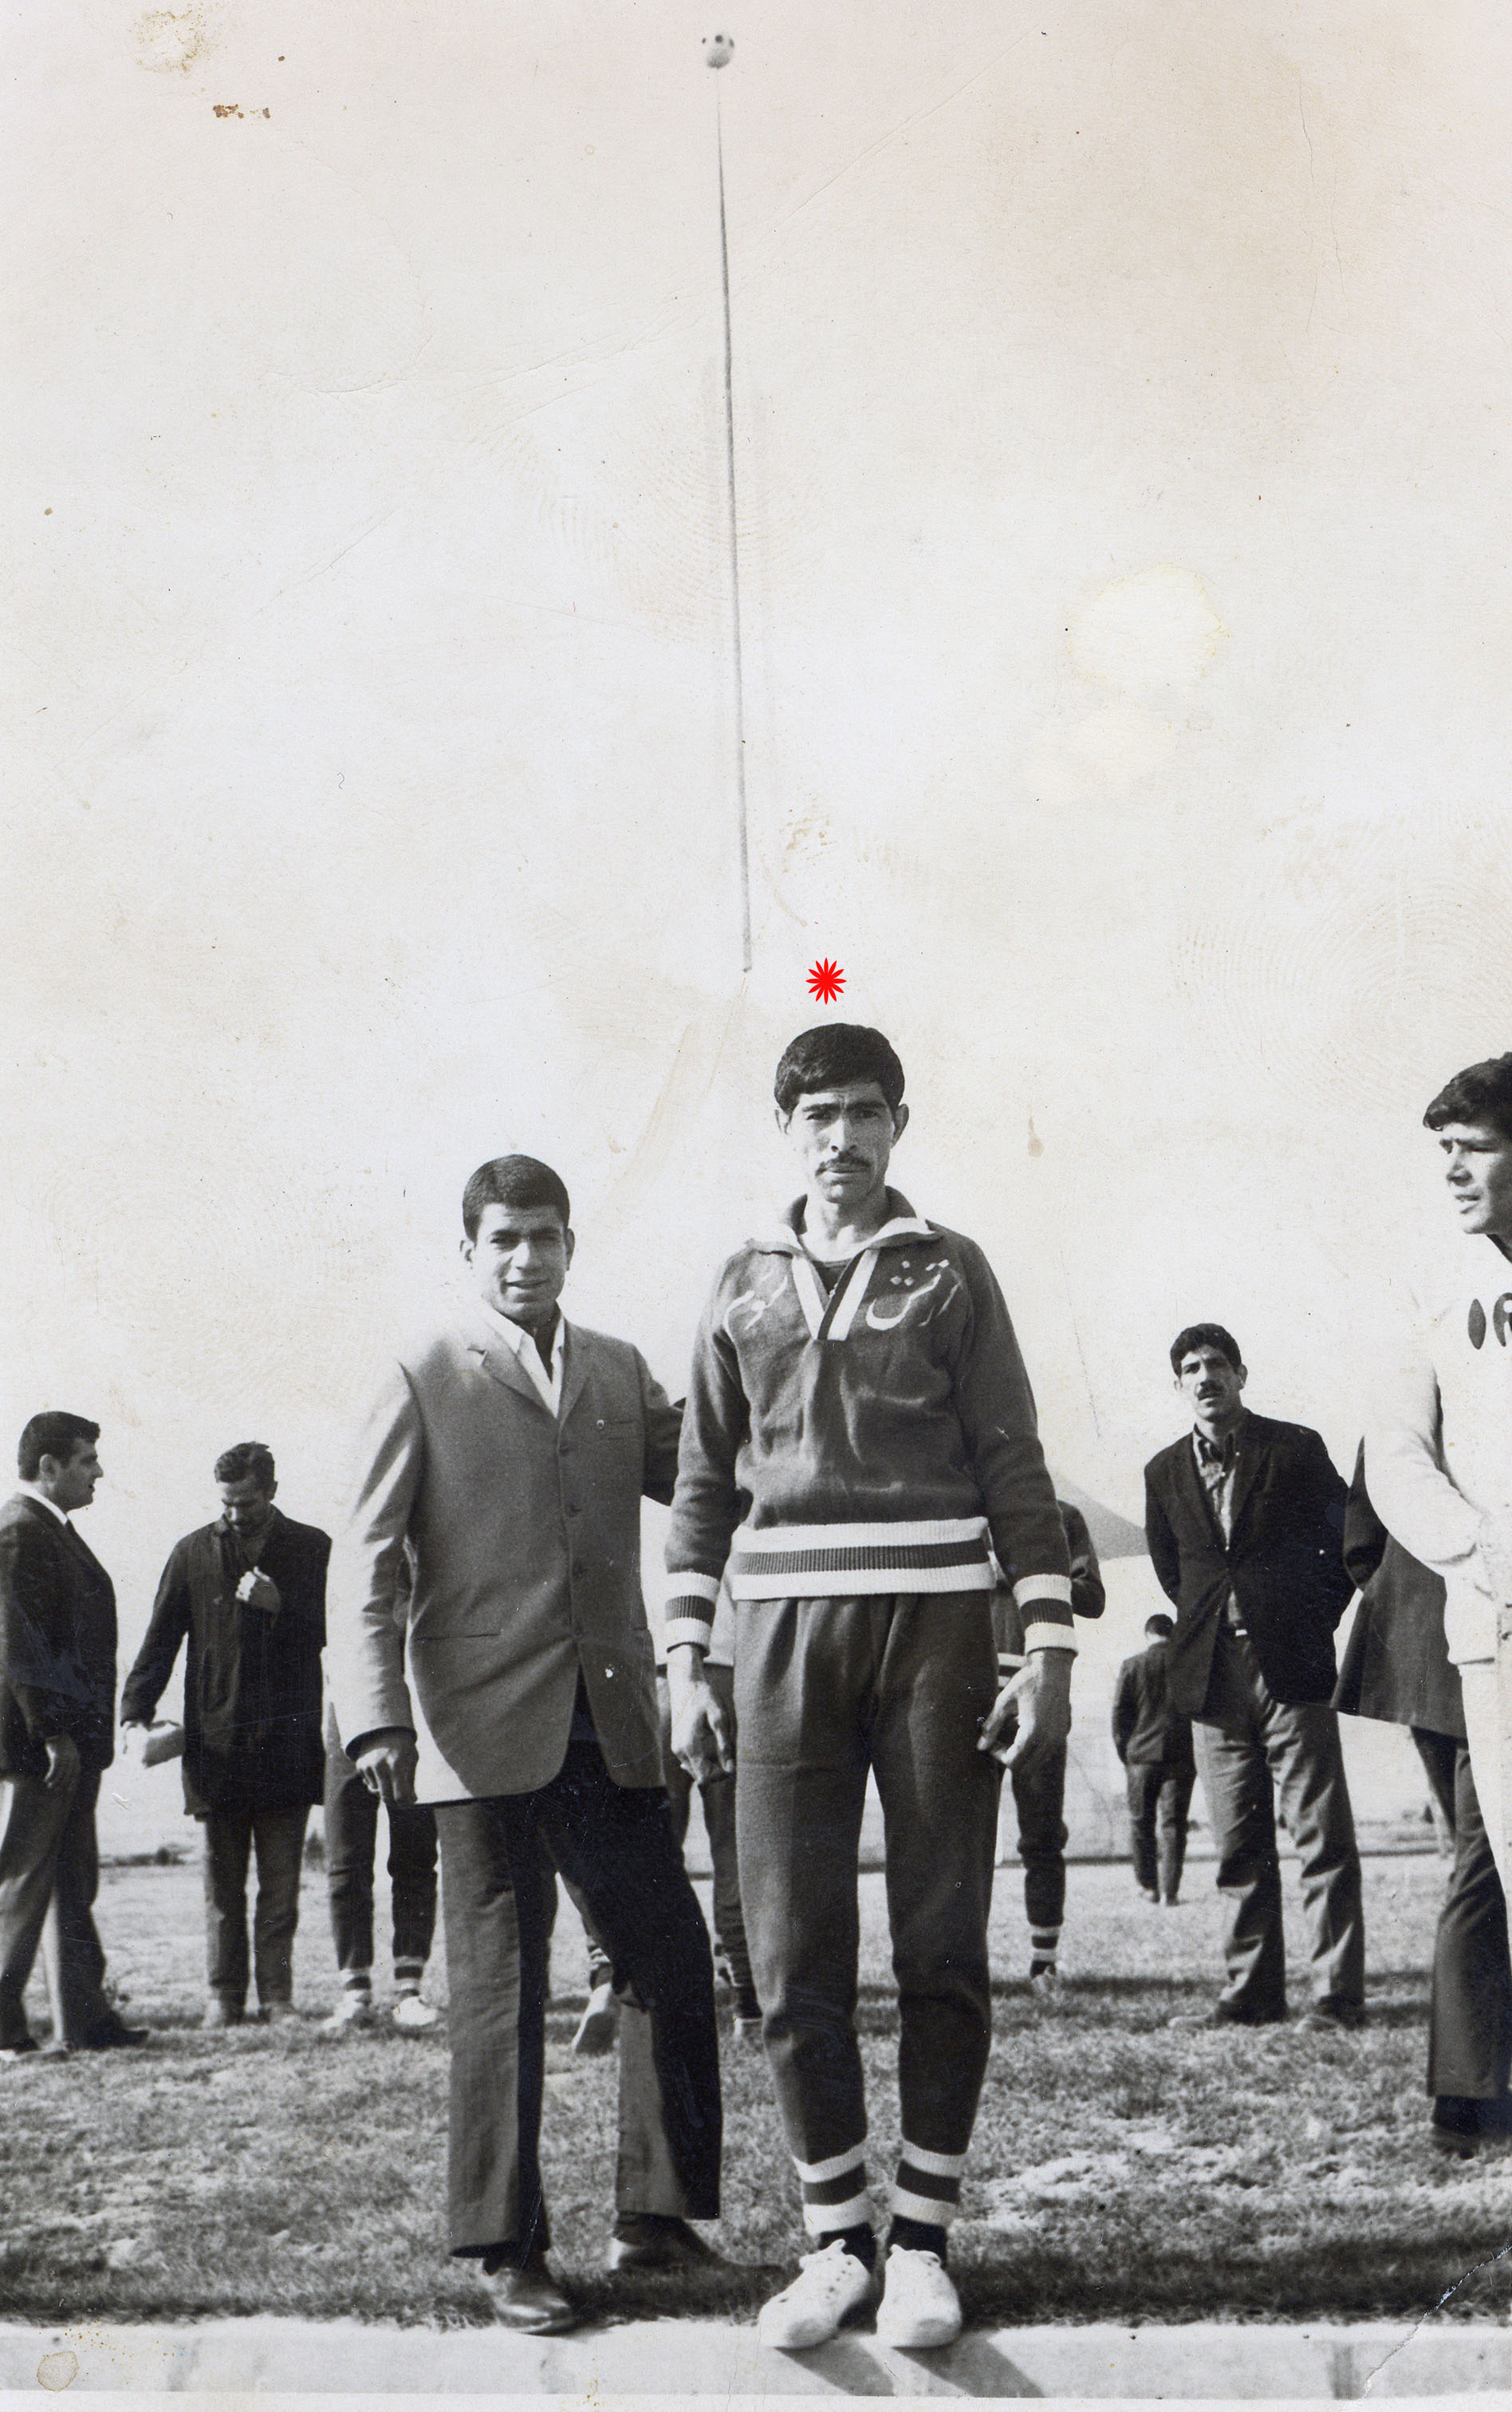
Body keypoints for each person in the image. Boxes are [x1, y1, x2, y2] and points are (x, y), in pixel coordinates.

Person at [666, 1023, 1075, 2352]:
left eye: (862, 1110)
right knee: (790, 1954)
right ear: (786, 1129)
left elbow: (1014, 1461)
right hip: (782, 1631)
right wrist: (683, 1661)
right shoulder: (738, 1280)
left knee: (941, 1943)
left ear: (898, 1122)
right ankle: (836, 2238)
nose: (839, 1136)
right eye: (815, 1114)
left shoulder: (951, 1268)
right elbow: (701, 1487)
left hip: (938, 1627)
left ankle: (922, 2246)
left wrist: (1047, 1649)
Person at [325, 1153, 723, 2335]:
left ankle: (657, 2219)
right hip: (474, 1728)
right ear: (469, 1250)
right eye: (503, 1238)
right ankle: (506, 2247)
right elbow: (366, 1559)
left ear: (570, 1245)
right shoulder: (422, 1372)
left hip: (613, 1723)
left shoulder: (619, 1367)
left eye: (544, 1236)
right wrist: (379, 1715)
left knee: (669, 1955)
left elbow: (709, 1479)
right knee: (501, 1989)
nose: (526, 1258)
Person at [1144, 1324, 1364, 2030]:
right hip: (1213, 1678)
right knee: (1238, 1845)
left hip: (1292, 1667)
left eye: (1216, 1364)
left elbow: (1347, 1537)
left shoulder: (1295, 1448)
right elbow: (1176, 1573)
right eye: (1190, 1368)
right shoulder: (1162, 1471)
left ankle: (1336, 1997)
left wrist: (1310, 1617)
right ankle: (1251, 1995)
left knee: (1320, 1836)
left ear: (1241, 1374)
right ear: (1178, 1385)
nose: (1204, 1376)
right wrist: (1211, 1625)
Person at [1333, 1444, 1512, 2154]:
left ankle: (1476, 2088)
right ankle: (1466, 2100)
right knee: (1487, 1863)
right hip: (1477, 1652)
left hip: (1421, 1656)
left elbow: (1360, 1542)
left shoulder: (1400, 1397)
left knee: (1483, 1858)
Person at [1366, 1055, 1512, 1896]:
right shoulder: (1429, 1287)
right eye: (1444, 1149)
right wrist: (1486, 1549)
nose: (1452, 1169)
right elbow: (1396, 1459)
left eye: (1476, 1147)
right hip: (1494, 1629)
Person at [121, 1443, 328, 2028]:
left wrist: (281, 1605)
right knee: (222, 1887)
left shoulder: (313, 1548)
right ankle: (223, 1997)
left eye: (247, 1503)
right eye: (226, 1503)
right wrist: (134, 1712)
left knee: (280, 1888)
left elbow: (338, 1631)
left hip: (288, 1745)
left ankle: (278, 1999)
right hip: (217, 1748)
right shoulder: (192, 1552)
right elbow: (159, 1639)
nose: (235, 1514)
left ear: (272, 1491)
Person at [0, 1413, 145, 2055]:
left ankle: (83, 2022)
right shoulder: (20, 1531)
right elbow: (19, 1644)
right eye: (87, 1460)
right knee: (24, 1882)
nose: (99, 1472)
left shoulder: (50, 1530)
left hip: (69, 1747)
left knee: (69, 1881)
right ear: (49, 1466)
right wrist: (52, 1733)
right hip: (43, 1749)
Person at [992, 1501, 1105, 1977]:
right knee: (957, 1838)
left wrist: (1021, 1575)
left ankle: (1045, 1962)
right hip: (964, 1690)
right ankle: (956, 1963)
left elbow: (1092, 1598)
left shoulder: (1062, 1515)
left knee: (1041, 1835)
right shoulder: (957, 1503)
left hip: (1038, 1691)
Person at [321, 1698, 439, 2031]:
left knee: (415, 1857)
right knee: (345, 1865)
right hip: (347, 1716)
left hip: (408, 1714)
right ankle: (355, 1994)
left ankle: (409, 1991)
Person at [1111, 1614, 1195, 1907]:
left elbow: (1120, 1715)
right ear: (1173, 1634)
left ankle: (1148, 1886)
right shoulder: (1189, 1664)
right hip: (1181, 1756)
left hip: (1141, 1757)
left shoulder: (1132, 1665)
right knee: (1175, 1824)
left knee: (1141, 1822)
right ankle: (1170, 1891)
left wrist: (1126, 1752)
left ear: (1148, 1635)